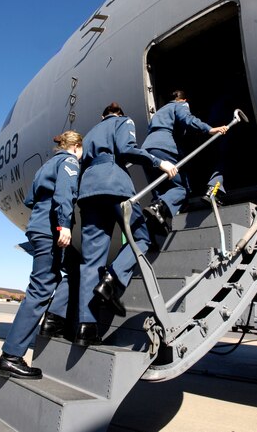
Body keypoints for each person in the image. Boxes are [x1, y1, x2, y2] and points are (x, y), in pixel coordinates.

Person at [75, 102, 177, 346]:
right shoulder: (124, 122)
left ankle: (85, 328)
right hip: (114, 185)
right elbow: (127, 149)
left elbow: (81, 165)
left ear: (102, 115)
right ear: (118, 114)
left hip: (88, 192)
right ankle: (112, 280)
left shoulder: (89, 135)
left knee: (90, 261)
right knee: (141, 237)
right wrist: (157, 162)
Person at [0, 130, 83, 380]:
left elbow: (31, 199)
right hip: (51, 228)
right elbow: (65, 195)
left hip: (38, 226)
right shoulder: (69, 162)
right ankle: (11, 356)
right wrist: (64, 224)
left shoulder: (46, 166)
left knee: (72, 269)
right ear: (76, 146)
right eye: (81, 149)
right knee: (41, 287)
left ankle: (53, 318)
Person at [141, 90, 229, 235]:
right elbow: (187, 119)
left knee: (161, 190)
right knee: (182, 189)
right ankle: (159, 208)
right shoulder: (180, 105)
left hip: (147, 152)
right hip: (164, 147)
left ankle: (154, 223)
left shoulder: (160, 112)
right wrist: (210, 129)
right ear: (183, 100)